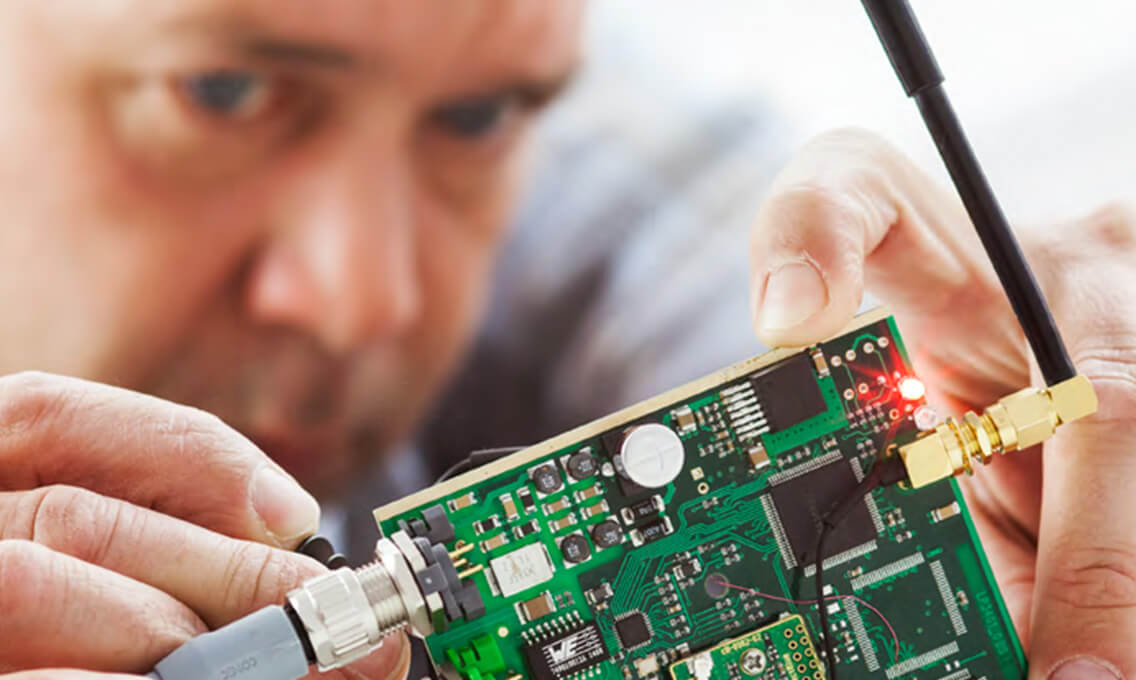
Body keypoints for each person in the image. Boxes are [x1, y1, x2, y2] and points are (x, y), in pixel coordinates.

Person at [0, 5, 1132, 680]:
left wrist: (1040, 487)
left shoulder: (512, 87)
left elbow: (747, 302)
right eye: (223, 89)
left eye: (477, 118)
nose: (363, 300)